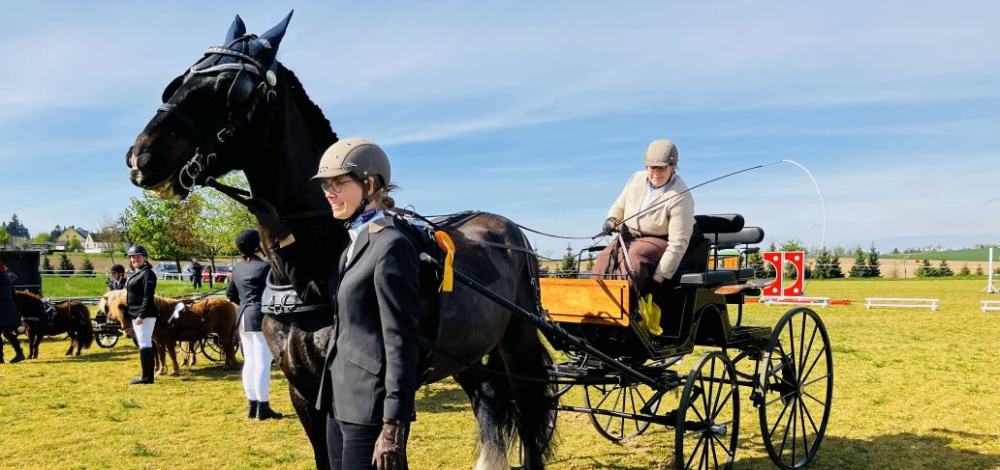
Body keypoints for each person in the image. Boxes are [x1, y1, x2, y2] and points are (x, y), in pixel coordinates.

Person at [299, 137, 419, 470]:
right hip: (339, 399)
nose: (328, 193)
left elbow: (401, 341)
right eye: (326, 185)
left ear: (369, 185)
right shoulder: (350, 245)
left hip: (371, 407)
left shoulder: (391, 245)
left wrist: (393, 424)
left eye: (339, 183)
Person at [594, 139, 700, 297]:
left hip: (661, 238)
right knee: (603, 260)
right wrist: (612, 219)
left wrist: (659, 277)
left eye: (661, 169)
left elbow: (678, 243)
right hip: (630, 236)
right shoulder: (636, 178)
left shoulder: (680, 196)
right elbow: (620, 205)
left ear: (673, 167)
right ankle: (596, 307)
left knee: (634, 258)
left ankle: (628, 310)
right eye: (652, 168)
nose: (656, 174)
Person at [227, 229, 282, 421]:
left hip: (242, 315)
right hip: (260, 317)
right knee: (262, 363)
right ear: (257, 245)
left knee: (249, 362)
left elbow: (230, 294)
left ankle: (252, 405)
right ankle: (264, 407)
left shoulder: (238, 267)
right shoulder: (266, 267)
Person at [124, 245, 158, 385]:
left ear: (144, 257)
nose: (134, 259)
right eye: (132, 257)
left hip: (144, 314)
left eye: (138, 256)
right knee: (143, 343)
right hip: (135, 313)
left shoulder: (147, 274)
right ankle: (146, 375)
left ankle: (147, 377)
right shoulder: (137, 272)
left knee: (144, 343)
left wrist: (141, 315)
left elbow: (147, 296)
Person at [0, 260, 26, 364]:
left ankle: (1, 358)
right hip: (10, 312)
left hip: (4, 311)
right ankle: (19, 353)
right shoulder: (7, 281)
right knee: (8, 333)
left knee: (7, 333)